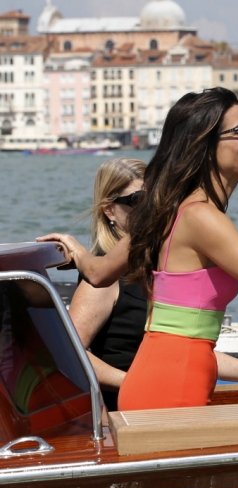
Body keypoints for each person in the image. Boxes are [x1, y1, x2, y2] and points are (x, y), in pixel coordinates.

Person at [40, 87, 238, 410]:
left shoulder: (170, 209)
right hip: (172, 386)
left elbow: (98, 272)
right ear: (204, 146)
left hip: (167, 379)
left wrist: (77, 250)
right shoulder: (198, 216)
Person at [68, 157, 147, 411]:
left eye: (156, 198)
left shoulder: (155, 266)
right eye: (137, 201)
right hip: (126, 413)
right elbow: (71, 353)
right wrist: (135, 384)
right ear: (109, 210)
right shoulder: (102, 279)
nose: (151, 210)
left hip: (161, 403)